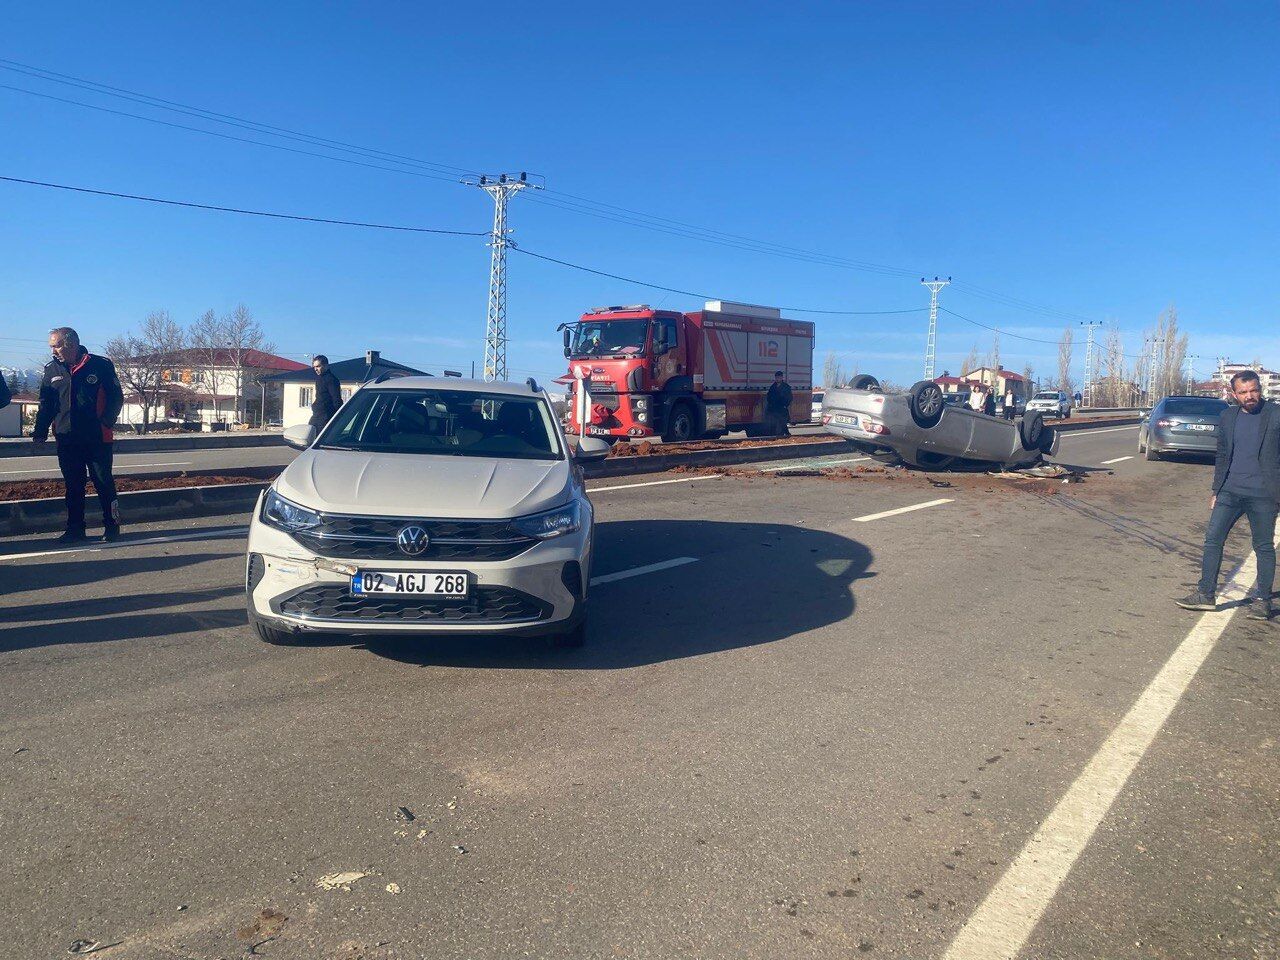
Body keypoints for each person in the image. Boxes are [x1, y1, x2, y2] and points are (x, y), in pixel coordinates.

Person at [1176, 370, 1278, 621]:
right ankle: (1205, 595)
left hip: (1264, 494)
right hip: (1230, 491)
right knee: (1212, 540)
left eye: (1254, 390)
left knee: (1263, 546)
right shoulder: (1227, 416)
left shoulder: (1275, 414)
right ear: (1234, 394)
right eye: (1243, 392)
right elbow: (1222, 455)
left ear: (1260, 389)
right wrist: (1216, 490)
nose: (1250, 396)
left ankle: (1262, 600)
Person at [34, 327, 124, 543]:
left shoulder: (100, 365)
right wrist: (40, 432)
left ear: (71, 344)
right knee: (73, 485)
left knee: (103, 482)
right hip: (67, 438)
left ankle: (112, 526)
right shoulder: (51, 370)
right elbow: (46, 405)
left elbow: (116, 397)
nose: (53, 351)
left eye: (56, 346)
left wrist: (105, 421)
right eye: (51, 347)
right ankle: (75, 529)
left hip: (97, 438)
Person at [309, 355, 343, 431]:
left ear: (326, 366)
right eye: (314, 367)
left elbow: (337, 400)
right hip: (316, 415)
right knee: (308, 434)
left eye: (318, 366)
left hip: (325, 417)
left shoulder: (331, 380)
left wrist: (334, 417)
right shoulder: (319, 378)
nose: (315, 369)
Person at [765, 370, 793, 436]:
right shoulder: (772, 387)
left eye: (779, 377)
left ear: (782, 378)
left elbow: (790, 397)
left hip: (782, 408)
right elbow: (768, 396)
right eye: (776, 377)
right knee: (773, 423)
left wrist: (785, 405)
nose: (778, 379)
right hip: (774, 408)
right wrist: (770, 404)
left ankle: (786, 434)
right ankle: (776, 436)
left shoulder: (786, 387)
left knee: (782, 422)